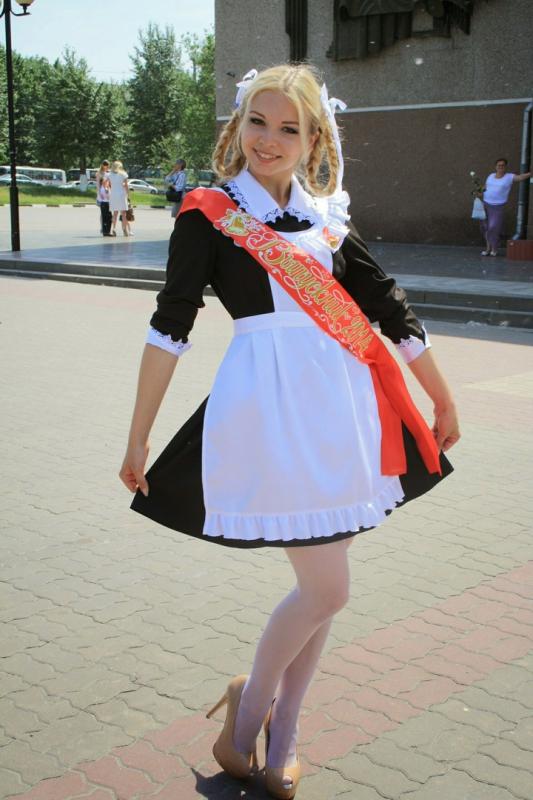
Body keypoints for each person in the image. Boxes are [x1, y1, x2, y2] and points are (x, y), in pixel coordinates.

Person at [119, 64, 460, 799]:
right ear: (236, 125)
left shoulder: (327, 218)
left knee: (321, 590)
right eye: (256, 121)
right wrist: (138, 435)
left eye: (288, 128)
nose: (268, 140)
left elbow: (389, 309)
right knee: (327, 590)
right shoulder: (209, 215)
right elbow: (170, 327)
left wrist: (441, 397)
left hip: (340, 414)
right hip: (269, 415)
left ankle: (282, 730)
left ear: (313, 141)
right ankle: (250, 716)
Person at [481, 158, 531, 256]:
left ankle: (494, 248)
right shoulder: (490, 176)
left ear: (505, 167)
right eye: (498, 165)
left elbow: (520, 177)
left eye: (502, 165)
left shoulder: (509, 177)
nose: (500, 167)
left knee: (493, 227)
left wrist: (530, 174)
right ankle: (488, 249)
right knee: (485, 227)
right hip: (485, 204)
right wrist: (479, 191)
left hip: (498, 207)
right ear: (495, 167)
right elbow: (485, 187)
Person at [108, 160, 130, 236]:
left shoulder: (109, 175)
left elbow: (108, 184)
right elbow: (126, 185)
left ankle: (113, 229)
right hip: (121, 194)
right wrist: (128, 195)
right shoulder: (123, 174)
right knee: (123, 213)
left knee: (115, 213)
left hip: (113, 195)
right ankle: (124, 229)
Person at [96, 161, 112, 237]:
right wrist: (99, 194)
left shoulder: (108, 173)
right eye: (105, 165)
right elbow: (98, 185)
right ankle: (102, 227)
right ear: (102, 165)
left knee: (106, 212)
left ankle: (106, 228)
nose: (107, 167)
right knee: (102, 212)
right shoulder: (99, 173)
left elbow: (109, 184)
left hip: (107, 194)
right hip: (101, 195)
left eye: (108, 166)